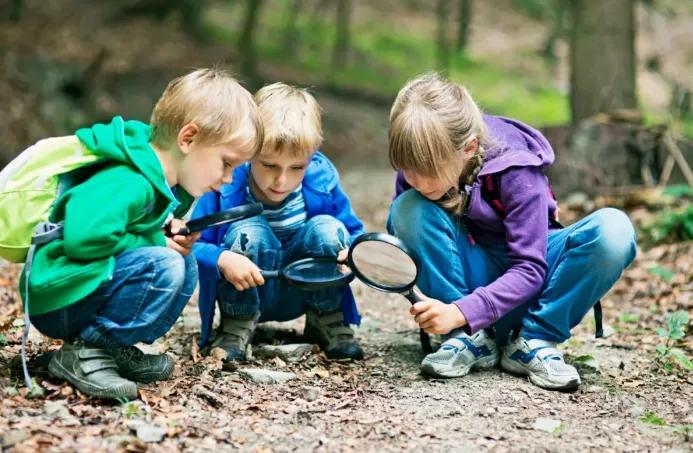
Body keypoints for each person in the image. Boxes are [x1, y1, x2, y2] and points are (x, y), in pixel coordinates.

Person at [18, 68, 262, 400]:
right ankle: (85, 352)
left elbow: (128, 231)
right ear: (188, 139)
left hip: (79, 288)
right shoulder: (129, 179)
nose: (229, 179)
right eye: (226, 163)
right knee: (165, 264)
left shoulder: (155, 180)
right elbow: (84, 238)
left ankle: (107, 348)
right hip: (59, 295)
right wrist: (155, 241)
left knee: (182, 261)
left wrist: (162, 232)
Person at [387, 73, 636, 390]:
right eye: (407, 170)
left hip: (532, 289)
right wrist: (369, 258)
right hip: (466, 291)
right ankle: (467, 341)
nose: (417, 181)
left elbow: (530, 268)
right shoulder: (418, 172)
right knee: (408, 207)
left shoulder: (516, 170)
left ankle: (533, 341)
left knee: (614, 229)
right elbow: (411, 245)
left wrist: (463, 311)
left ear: (469, 147)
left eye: (428, 171)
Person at [193, 82, 366, 362]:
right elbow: (194, 245)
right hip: (248, 288)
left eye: (297, 167)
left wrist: (352, 254)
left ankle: (325, 318)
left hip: (304, 288)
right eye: (269, 165)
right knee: (249, 230)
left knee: (328, 228)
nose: (281, 180)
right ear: (249, 152)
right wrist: (223, 258)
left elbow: (356, 233)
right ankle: (237, 325)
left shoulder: (322, 181)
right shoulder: (226, 184)